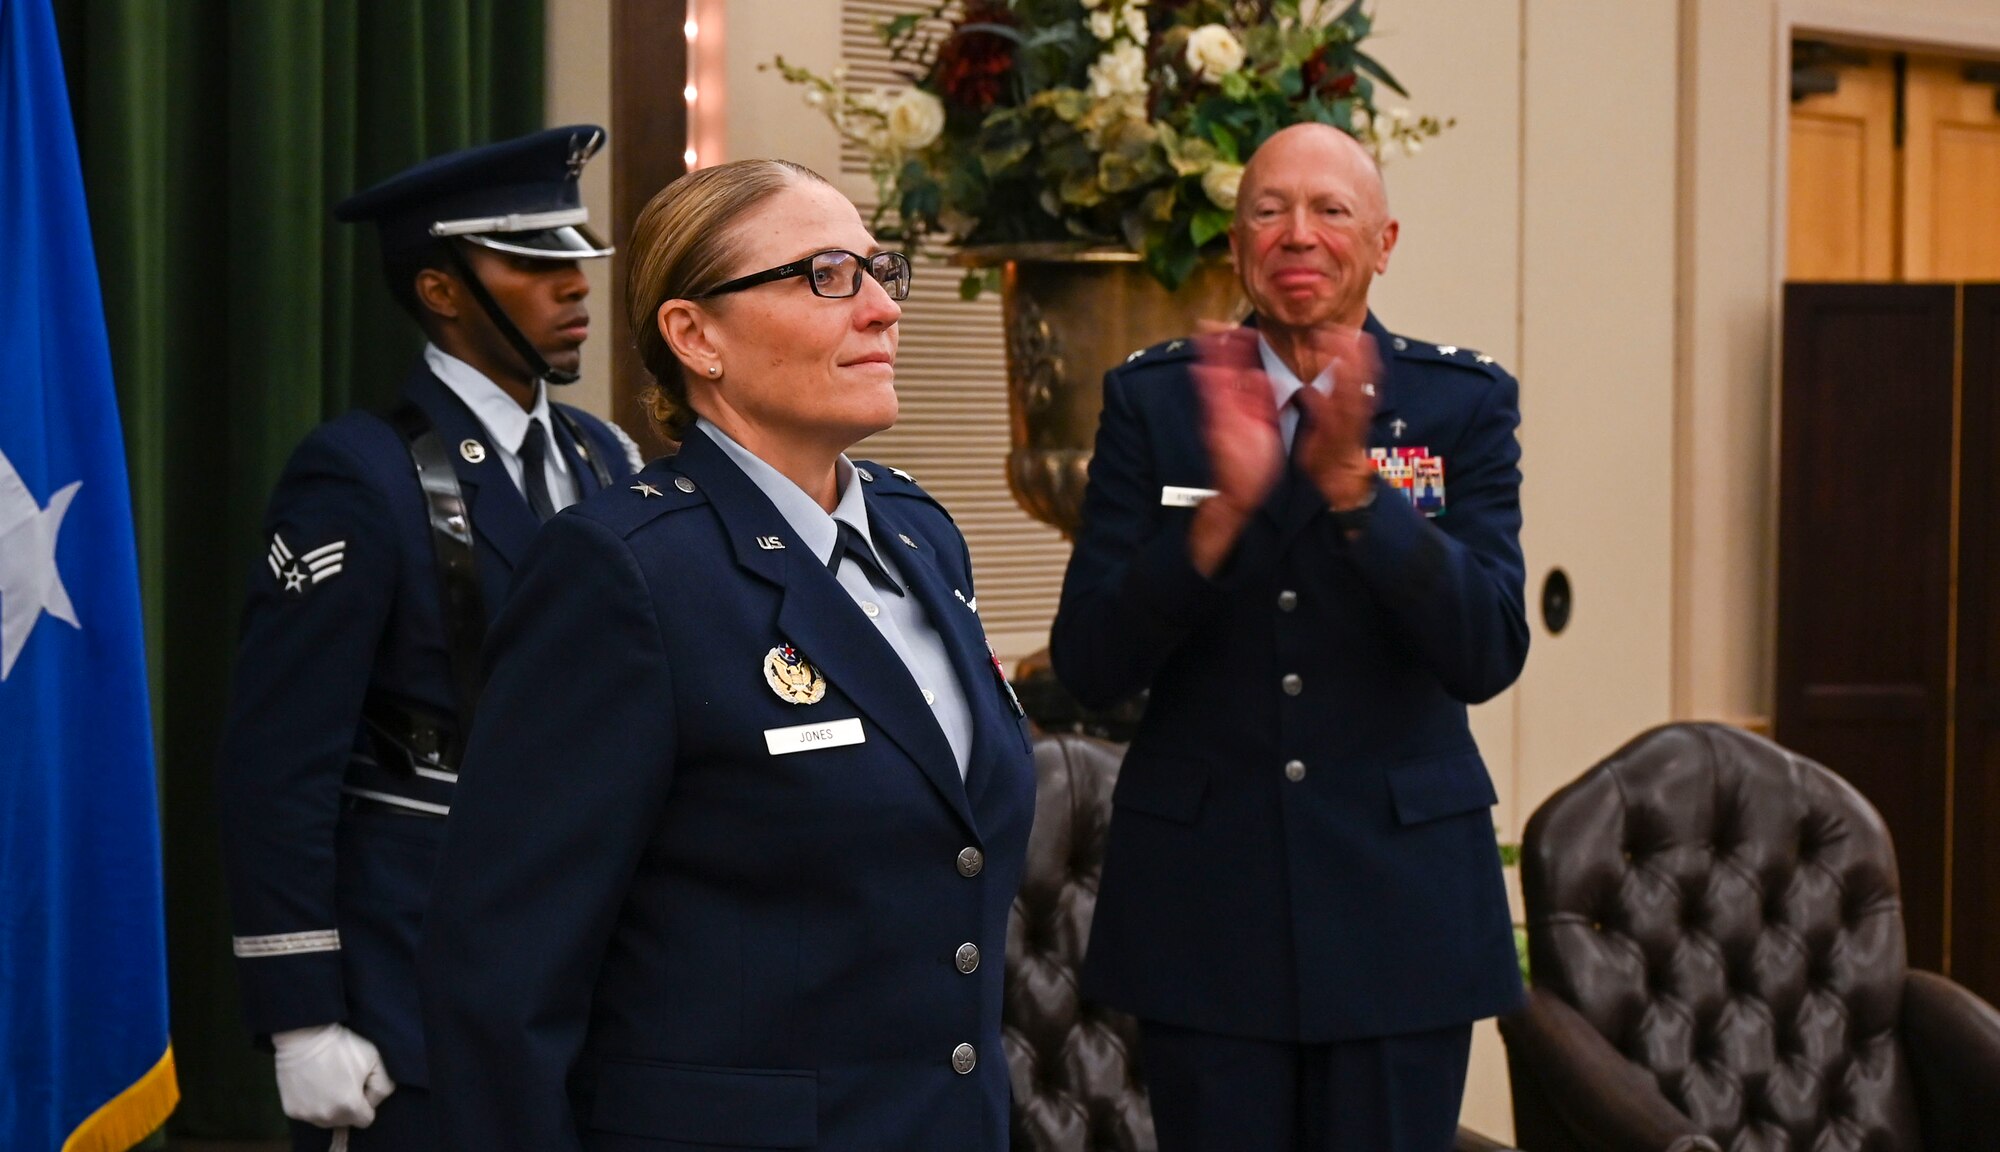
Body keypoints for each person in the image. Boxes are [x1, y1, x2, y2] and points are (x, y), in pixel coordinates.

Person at [419, 158, 1037, 1152]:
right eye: (826, 274)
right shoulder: (626, 573)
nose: (880, 307)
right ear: (694, 335)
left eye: (881, 270)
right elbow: (503, 979)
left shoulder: (922, 538)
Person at [1050, 122, 1529, 1151]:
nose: (1296, 235)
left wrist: (1360, 495)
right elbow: (1089, 662)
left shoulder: (1458, 405)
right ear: (1233, 247)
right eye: (1267, 211)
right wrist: (1214, 521)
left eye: (1329, 210)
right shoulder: (1154, 400)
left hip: (1399, 908)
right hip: (1206, 907)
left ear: (1384, 240)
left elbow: (1487, 649)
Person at [215, 125, 643, 1152]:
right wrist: (301, 1009)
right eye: (531, 262)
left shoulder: (602, 454)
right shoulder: (359, 477)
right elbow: (279, 765)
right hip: (417, 962)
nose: (572, 285)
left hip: (593, 955)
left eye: (573, 256)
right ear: (441, 290)